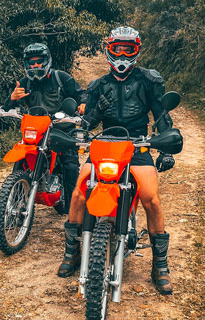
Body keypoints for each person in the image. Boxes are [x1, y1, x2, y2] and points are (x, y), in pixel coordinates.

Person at [56, 26, 176, 296]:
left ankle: (160, 266)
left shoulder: (149, 81)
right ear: (109, 50)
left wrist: (166, 146)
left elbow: (161, 115)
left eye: (128, 49)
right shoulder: (99, 85)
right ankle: (72, 251)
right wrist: (93, 114)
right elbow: (88, 123)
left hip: (138, 145)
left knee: (151, 197)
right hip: (104, 144)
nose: (122, 54)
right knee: (78, 192)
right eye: (117, 49)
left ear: (136, 50)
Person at [3, 42, 88, 214]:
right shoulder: (25, 82)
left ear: (46, 61)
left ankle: (74, 212)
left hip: (61, 129)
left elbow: (81, 94)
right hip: (35, 130)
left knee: (70, 165)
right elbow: (7, 107)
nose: (35, 65)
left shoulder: (61, 78)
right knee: (20, 161)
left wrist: (83, 103)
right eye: (31, 63)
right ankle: (16, 203)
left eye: (38, 61)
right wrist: (11, 99)